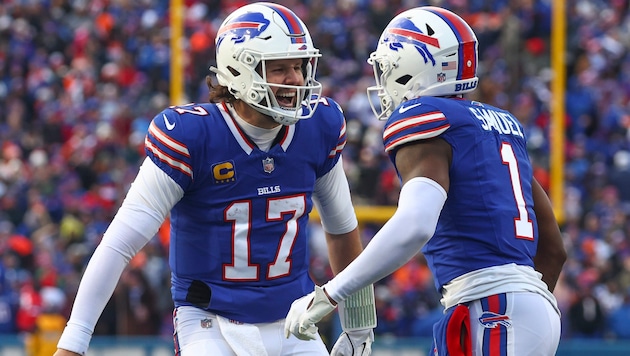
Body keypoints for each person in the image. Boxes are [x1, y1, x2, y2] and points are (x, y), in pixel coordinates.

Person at [54, 3, 376, 356]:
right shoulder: (193, 136)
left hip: (294, 320)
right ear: (240, 71)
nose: (296, 80)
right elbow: (119, 244)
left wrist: (358, 326)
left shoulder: (318, 127)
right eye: (280, 68)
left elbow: (343, 232)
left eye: (299, 67)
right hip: (212, 323)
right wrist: (74, 342)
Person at [285, 6, 567, 355]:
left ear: (414, 66)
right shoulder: (499, 124)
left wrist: (332, 292)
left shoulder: (425, 116)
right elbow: (554, 248)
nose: (383, 80)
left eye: (387, 69)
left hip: (493, 307)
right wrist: (530, 308)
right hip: (510, 304)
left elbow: (416, 224)